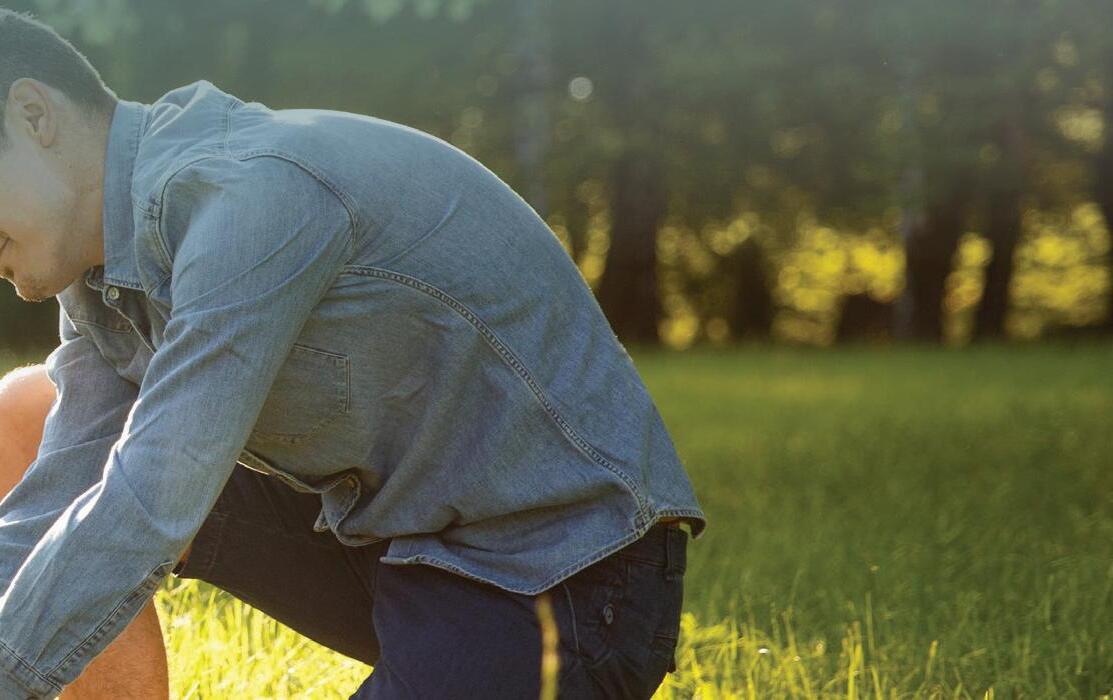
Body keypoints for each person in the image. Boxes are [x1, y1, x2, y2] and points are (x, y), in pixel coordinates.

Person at [0, 8, 707, 699]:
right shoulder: (99, 276)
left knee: (146, 483)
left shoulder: (248, 196)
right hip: (398, 549)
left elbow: (154, 493)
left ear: (34, 115)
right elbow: (53, 499)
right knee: (29, 413)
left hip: (562, 578)